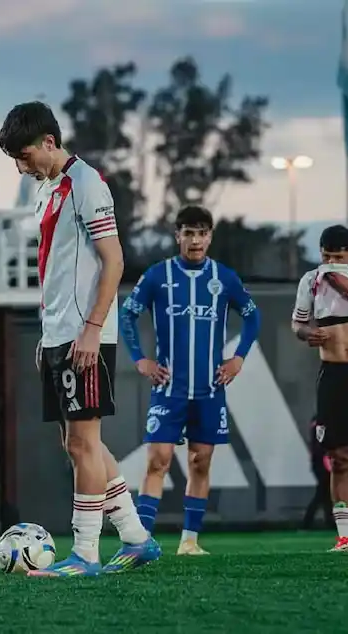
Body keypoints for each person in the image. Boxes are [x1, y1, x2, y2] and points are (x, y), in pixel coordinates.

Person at [0, 101, 159, 577]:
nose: (21, 167)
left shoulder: (87, 184)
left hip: (85, 336)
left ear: (49, 142)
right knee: (76, 443)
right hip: (59, 334)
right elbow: (56, 269)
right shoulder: (48, 190)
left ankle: (85, 552)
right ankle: (135, 537)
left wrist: (90, 332)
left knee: (85, 443)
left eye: (25, 156)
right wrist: (48, 334)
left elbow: (114, 261)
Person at [119, 205, 261, 555]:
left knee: (201, 460)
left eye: (202, 233)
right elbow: (127, 316)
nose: (195, 240)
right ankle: (140, 543)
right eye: (189, 233)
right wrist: (140, 360)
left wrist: (238, 357)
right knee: (158, 460)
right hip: (169, 388)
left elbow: (252, 318)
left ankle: (189, 542)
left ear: (210, 236)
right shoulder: (157, 275)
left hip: (209, 389)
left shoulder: (225, 278)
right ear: (177, 236)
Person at [291, 224, 348, 552]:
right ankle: (343, 535)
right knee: (338, 457)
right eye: (326, 256)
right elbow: (298, 323)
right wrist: (306, 334)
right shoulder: (311, 281)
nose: (330, 262)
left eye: (338, 257)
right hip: (333, 374)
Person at [302, 414, 335, 530]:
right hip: (322, 463)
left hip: (320, 463)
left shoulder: (318, 421)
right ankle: (307, 523)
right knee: (322, 493)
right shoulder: (322, 421)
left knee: (325, 494)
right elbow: (320, 446)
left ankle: (329, 521)